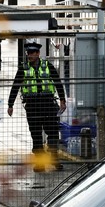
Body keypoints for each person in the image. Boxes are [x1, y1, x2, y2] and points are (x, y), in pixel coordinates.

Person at [7, 41, 67, 172]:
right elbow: (15, 86)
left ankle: (54, 159)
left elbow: (58, 82)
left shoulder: (48, 66)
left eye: (33, 53)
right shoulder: (23, 69)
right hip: (32, 105)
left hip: (48, 104)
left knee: (52, 132)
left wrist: (62, 99)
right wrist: (10, 104)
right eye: (28, 53)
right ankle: (40, 163)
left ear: (38, 54)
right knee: (36, 135)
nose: (30, 55)